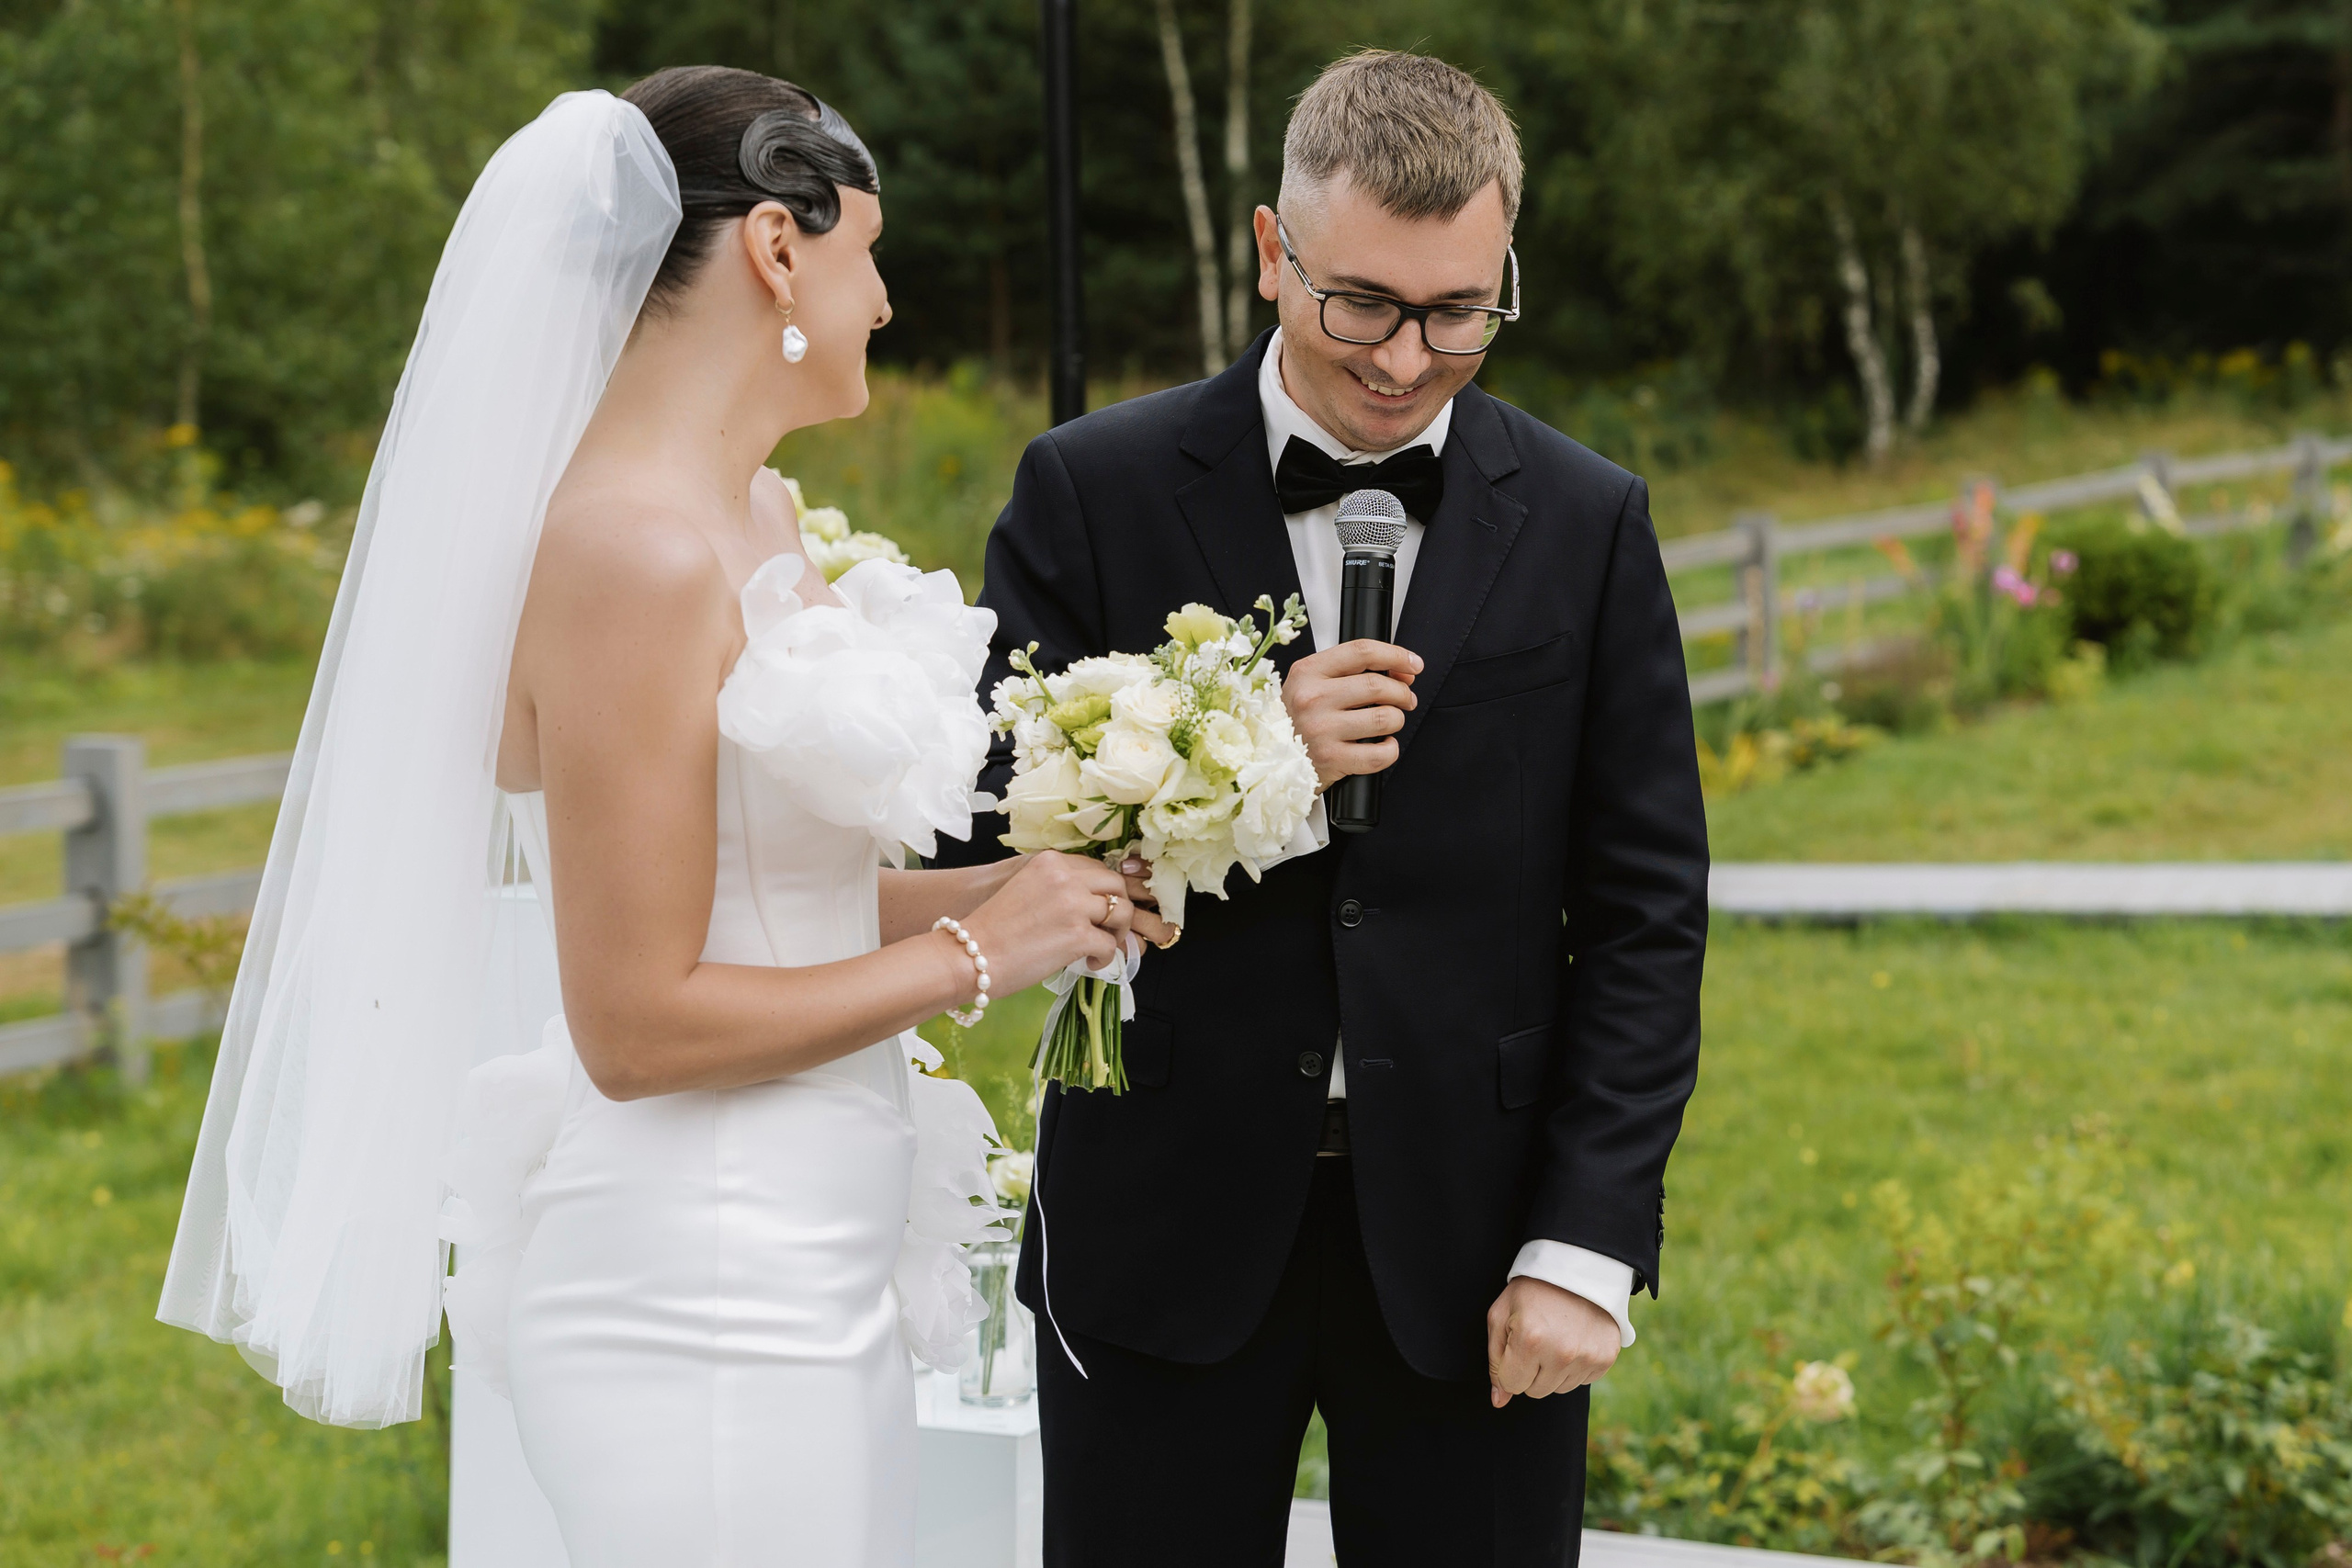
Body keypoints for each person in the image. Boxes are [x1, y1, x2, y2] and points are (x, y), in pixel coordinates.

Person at [159, 68, 1164, 1567]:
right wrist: (977, 957)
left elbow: (771, 906)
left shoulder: (752, 515)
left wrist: (1037, 894)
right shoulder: (629, 552)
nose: (884, 300)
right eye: (866, 252)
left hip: (807, 1253)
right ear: (776, 248)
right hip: (704, 1291)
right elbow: (635, 1024)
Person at [934, 50, 1709, 1566]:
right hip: (1159, 1230)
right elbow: (980, 839)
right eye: (1361, 303)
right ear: (1271, 249)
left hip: (1480, 1248)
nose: (1407, 360)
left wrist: (1588, 1241)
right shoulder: (1089, 488)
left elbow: (1644, 916)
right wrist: (1247, 752)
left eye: (1458, 312)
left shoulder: (1586, 517)